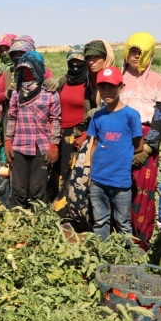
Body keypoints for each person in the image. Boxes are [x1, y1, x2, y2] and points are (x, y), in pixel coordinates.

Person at [121, 32, 161, 250]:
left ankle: (141, 240)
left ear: (149, 54)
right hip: (119, 136)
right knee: (118, 187)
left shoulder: (159, 81)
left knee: (142, 189)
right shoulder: (118, 77)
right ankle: (118, 237)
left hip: (145, 139)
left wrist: (148, 147)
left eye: (140, 53)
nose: (135, 57)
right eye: (132, 51)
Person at [63, 39, 116, 231]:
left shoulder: (110, 78)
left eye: (96, 57)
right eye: (89, 58)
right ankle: (90, 224)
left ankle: (104, 228)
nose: (91, 61)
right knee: (82, 182)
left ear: (106, 58)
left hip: (108, 139)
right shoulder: (91, 80)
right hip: (93, 136)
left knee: (95, 181)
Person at [86, 66, 144, 241]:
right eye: (103, 87)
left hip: (120, 180)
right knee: (100, 221)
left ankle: (126, 259)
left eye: (112, 86)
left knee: (122, 222)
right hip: (98, 179)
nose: (107, 91)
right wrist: (90, 172)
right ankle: (102, 255)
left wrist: (120, 153)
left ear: (122, 87)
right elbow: (94, 144)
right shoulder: (97, 116)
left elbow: (139, 146)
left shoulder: (131, 116)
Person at [4, 48, 61, 208]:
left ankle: (38, 223)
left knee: (38, 189)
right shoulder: (16, 92)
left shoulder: (50, 93)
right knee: (19, 189)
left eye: (28, 69)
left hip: (41, 147)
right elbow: (12, 117)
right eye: (22, 69)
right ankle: (16, 222)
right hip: (20, 145)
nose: (25, 73)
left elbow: (56, 119)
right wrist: (8, 141)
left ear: (37, 68)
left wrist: (54, 144)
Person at [52, 45, 90, 216]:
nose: (75, 64)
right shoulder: (63, 81)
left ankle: (68, 211)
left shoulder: (89, 83)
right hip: (60, 133)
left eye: (79, 61)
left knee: (73, 174)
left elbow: (94, 110)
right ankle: (54, 204)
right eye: (72, 61)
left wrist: (85, 134)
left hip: (78, 134)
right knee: (58, 171)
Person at [0, 33, 17, 162]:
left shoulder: (28, 70)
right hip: (5, 121)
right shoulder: (0, 73)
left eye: (7, 49)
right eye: (1, 51)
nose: (5, 53)